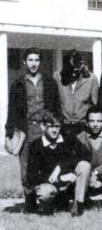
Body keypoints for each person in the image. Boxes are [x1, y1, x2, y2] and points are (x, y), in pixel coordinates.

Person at [5, 47, 61, 212]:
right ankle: (30, 203)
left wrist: (55, 126)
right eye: (30, 60)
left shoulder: (50, 82)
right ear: (24, 62)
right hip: (26, 131)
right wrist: (9, 133)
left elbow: (56, 108)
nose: (33, 64)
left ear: (40, 62)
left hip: (46, 130)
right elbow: (12, 111)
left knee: (48, 165)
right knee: (26, 168)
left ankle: (49, 201)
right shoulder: (18, 84)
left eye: (36, 60)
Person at [26, 113, 91, 216]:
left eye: (57, 126)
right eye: (50, 126)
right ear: (43, 126)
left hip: (69, 183)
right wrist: (59, 178)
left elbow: (86, 155)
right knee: (45, 192)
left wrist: (61, 166)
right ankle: (49, 206)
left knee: (84, 166)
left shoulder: (68, 138)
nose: (54, 130)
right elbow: (31, 176)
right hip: (50, 183)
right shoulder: (36, 145)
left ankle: (78, 205)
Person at [54, 49, 98, 137]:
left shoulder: (91, 79)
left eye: (77, 70)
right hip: (63, 127)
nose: (74, 74)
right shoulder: (57, 77)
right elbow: (54, 102)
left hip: (82, 127)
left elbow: (95, 104)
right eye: (72, 70)